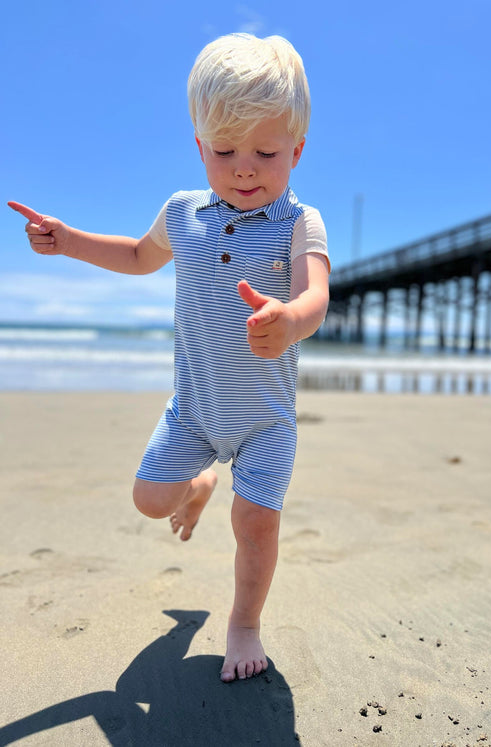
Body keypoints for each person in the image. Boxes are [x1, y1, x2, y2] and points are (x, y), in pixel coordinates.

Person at [8, 32, 330, 683]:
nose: (244, 167)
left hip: (267, 419)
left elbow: (315, 296)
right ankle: (199, 481)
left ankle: (243, 624)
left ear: (296, 149)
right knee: (151, 499)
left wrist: (287, 321)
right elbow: (134, 255)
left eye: (266, 152)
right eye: (224, 150)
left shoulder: (300, 223)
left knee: (255, 523)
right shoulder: (182, 214)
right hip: (194, 410)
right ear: (198, 147)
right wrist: (67, 241)